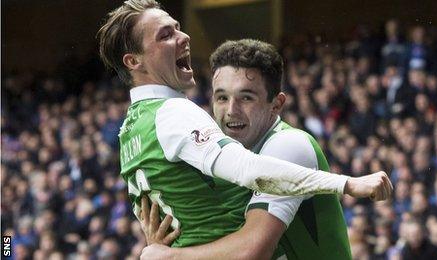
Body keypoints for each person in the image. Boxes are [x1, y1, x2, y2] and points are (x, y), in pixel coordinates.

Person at [96, 0, 392, 249]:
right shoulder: (172, 112)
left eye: (246, 97)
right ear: (133, 61)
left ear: (276, 103)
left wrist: (165, 252)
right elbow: (248, 173)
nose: (183, 36)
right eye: (165, 35)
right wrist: (347, 183)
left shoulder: (129, 130)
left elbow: (246, 244)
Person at [140, 39, 352, 259]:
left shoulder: (290, 146)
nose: (231, 110)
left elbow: (251, 251)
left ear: (276, 104)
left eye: (246, 97)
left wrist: (171, 256)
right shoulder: (223, 159)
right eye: (222, 97)